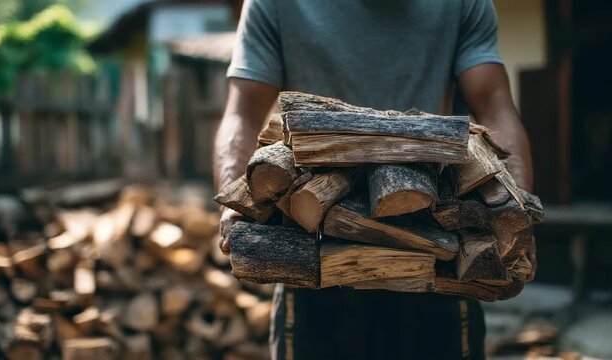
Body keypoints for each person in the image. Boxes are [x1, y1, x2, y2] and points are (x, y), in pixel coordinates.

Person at [213, 0, 535, 359]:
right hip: (309, 242)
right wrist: (234, 206)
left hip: (434, 246)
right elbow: (242, 111)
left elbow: (493, 102)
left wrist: (517, 209)